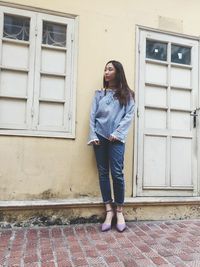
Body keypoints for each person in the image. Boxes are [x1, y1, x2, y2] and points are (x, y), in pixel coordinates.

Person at [88, 60, 135, 232]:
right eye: (105, 69)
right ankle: (109, 211)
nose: (106, 72)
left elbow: (129, 116)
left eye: (110, 69)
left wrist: (117, 133)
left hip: (117, 138)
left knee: (117, 173)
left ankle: (120, 211)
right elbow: (92, 115)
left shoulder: (128, 95)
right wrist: (93, 135)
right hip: (99, 137)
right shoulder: (99, 94)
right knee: (103, 172)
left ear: (118, 72)